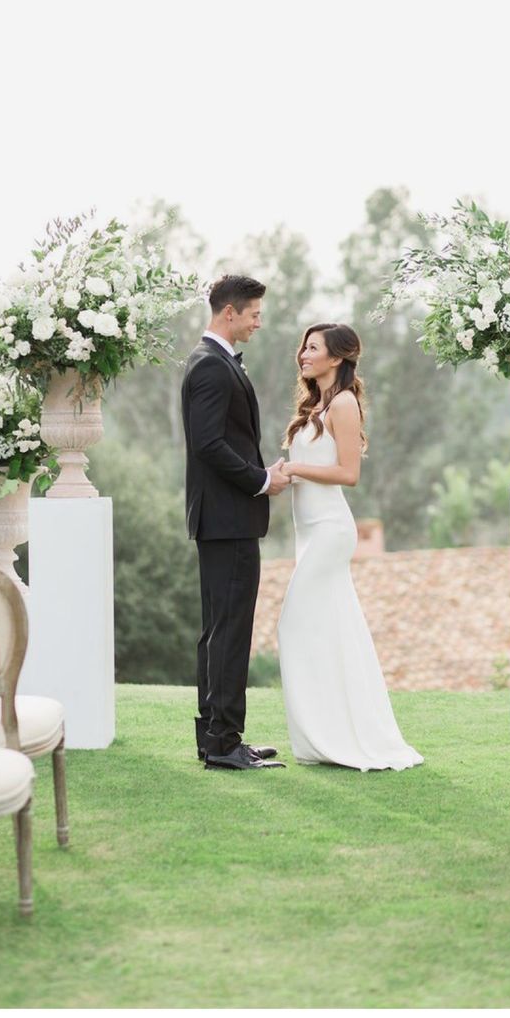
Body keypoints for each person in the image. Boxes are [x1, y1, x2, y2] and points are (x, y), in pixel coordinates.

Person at [277, 323, 423, 772]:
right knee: (329, 630)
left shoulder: (342, 404)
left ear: (336, 358)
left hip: (330, 530)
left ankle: (337, 734)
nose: (304, 353)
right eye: (304, 346)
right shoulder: (314, 405)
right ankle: (327, 735)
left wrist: (295, 467)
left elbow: (348, 473)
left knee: (293, 624)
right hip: (309, 532)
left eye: (313, 347)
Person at [181, 273, 288, 771]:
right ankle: (223, 742)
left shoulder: (213, 362)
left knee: (219, 630)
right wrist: (261, 481)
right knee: (229, 631)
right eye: (253, 314)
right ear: (230, 312)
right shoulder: (210, 366)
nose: (258, 322)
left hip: (224, 520)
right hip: (228, 519)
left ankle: (216, 738)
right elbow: (208, 445)